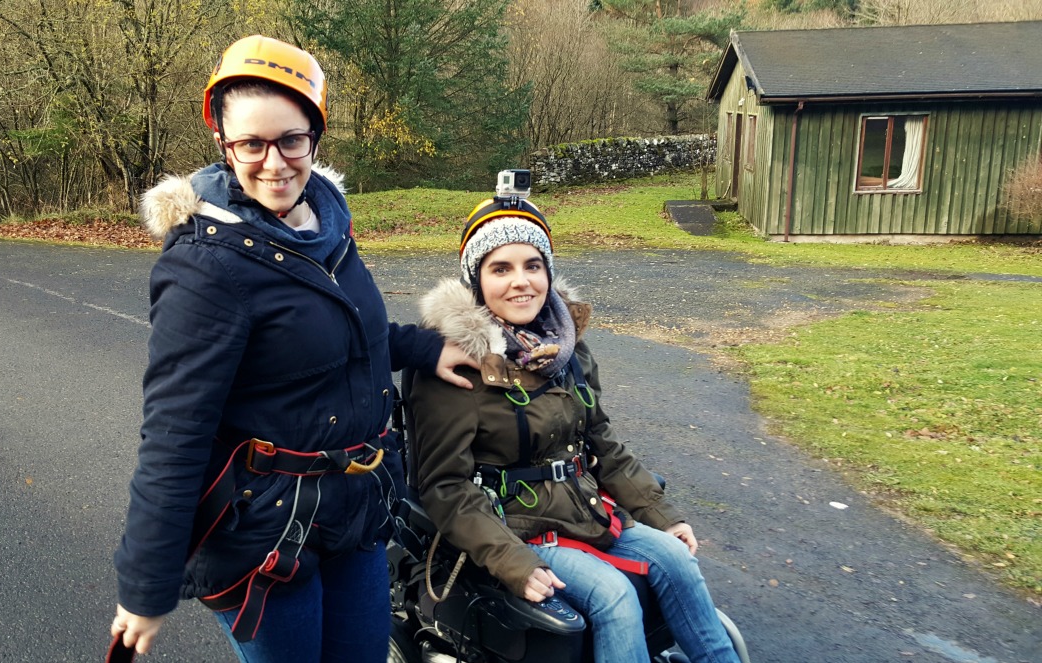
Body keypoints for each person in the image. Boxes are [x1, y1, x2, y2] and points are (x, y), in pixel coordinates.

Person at [109, 35, 476, 662]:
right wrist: (146, 585)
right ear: (223, 142)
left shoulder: (327, 223)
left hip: (355, 511)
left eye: (291, 139)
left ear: (315, 137)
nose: (273, 162)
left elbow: (347, 337)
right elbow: (175, 429)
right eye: (250, 143)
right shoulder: (205, 265)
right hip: (267, 528)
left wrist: (423, 348)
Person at [408, 195, 742, 663]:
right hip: (512, 526)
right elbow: (443, 486)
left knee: (679, 563)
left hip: (583, 509)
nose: (521, 281)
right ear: (477, 281)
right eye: (500, 269)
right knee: (615, 597)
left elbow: (602, 442)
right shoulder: (454, 366)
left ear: (548, 271)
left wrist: (663, 515)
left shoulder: (566, 350)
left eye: (532, 265)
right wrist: (512, 561)